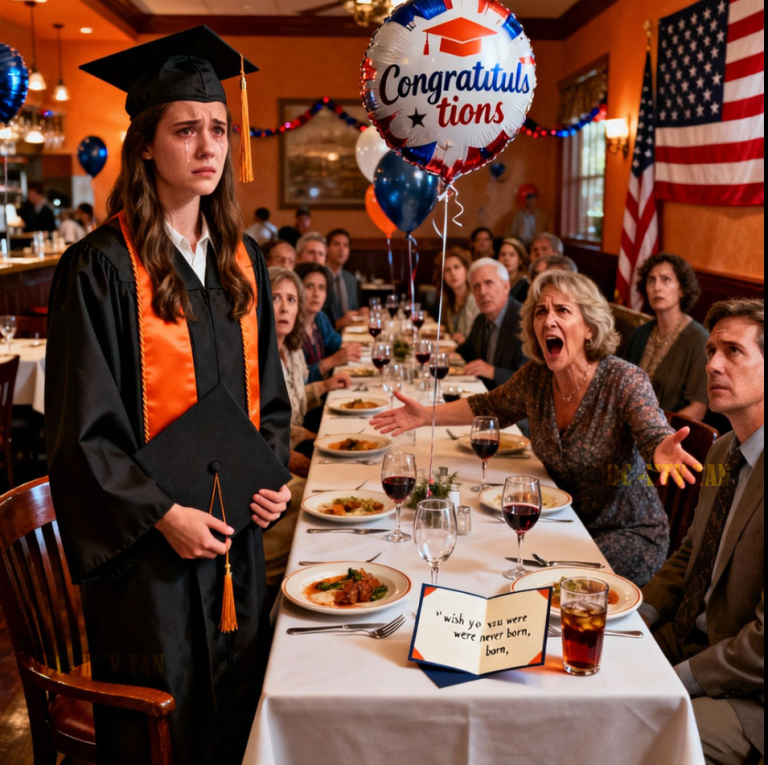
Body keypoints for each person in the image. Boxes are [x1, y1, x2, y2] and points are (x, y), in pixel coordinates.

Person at [44, 29, 292, 765]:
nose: (208, 145)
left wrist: (270, 476)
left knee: (240, 712)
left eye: (218, 128)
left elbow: (270, 400)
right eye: (186, 130)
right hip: (151, 568)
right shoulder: (98, 269)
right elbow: (82, 437)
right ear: (147, 145)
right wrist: (163, 516)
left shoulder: (242, 261)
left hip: (235, 541)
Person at [373, 270, 703, 586]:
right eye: (541, 311)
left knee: (544, 585)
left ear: (589, 327)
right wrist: (425, 415)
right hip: (563, 524)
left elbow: (652, 431)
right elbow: (488, 406)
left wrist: (659, 447)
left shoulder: (624, 380)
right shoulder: (536, 377)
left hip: (626, 532)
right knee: (484, 559)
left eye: (562, 310)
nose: (549, 320)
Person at [640, 298, 764, 765]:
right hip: (685, 637)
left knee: (642, 740)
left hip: (748, 692)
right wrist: (640, 614)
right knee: (583, 674)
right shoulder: (720, 449)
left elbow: (762, 646)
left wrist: (677, 677)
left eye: (733, 351)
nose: (712, 364)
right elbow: (691, 552)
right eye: (711, 350)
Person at [264, 267, 350, 592]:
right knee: (319, 493)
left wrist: (323, 387)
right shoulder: (256, 355)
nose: (284, 308)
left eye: (291, 300)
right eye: (275, 298)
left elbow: (294, 404)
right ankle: (282, 580)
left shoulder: (292, 350)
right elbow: (255, 428)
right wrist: (286, 455)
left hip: (289, 444)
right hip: (271, 458)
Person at [626, 253, 709, 420]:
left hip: (670, 430)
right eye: (651, 280)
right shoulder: (640, 333)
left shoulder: (699, 340)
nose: (657, 287)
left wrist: (656, 428)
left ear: (682, 289)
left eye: (666, 279)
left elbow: (697, 409)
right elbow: (623, 386)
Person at [455, 257, 526, 390]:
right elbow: (466, 352)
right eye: (476, 286)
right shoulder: (481, 320)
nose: (482, 292)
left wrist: (493, 372)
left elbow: (529, 381)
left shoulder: (524, 322)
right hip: (482, 394)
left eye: (489, 283)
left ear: (506, 286)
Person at [296, 261, 362, 383]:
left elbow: (337, 343)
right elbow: (298, 381)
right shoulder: (289, 327)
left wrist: (355, 348)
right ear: (296, 290)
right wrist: (334, 360)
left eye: (321, 288)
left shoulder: (320, 318)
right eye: (309, 286)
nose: (316, 294)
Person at [431, 247, 480, 345]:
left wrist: (465, 339)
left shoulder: (475, 299)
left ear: (466, 270)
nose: (453, 273)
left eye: (457, 267)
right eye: (447, 270)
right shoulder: (446, 299)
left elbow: (478, 338)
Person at [323, 228, 362, 329]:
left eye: (345, 245)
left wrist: (361, 311)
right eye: (336, 244)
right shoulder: (320, 277)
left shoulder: (351, 280)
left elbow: (354, 309)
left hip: (351, 333)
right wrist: (339, 323)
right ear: (327, 248)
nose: (341, 249)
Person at [497, 237, 530, 303]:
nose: (506, 258)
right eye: (503, 254)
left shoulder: (526, 284)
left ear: (520, 260)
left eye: (511, 255)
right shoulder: (493, 281)